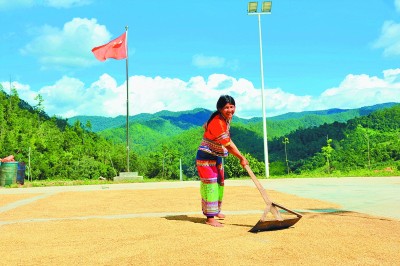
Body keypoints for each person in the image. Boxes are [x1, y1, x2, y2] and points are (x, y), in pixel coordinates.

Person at [196, 95, 249, 227]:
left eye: (232, 107)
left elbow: (228, 141)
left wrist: (241, 156)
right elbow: (228, 145)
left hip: (216, 155)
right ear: (220, 109)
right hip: (205, 157)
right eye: (226, 107)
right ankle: (210, 217)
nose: (230, 110)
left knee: (220, 183)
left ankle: (216, 210)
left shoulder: (224, 119)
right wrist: (241, 157)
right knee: (211, 185)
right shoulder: (218, 122)